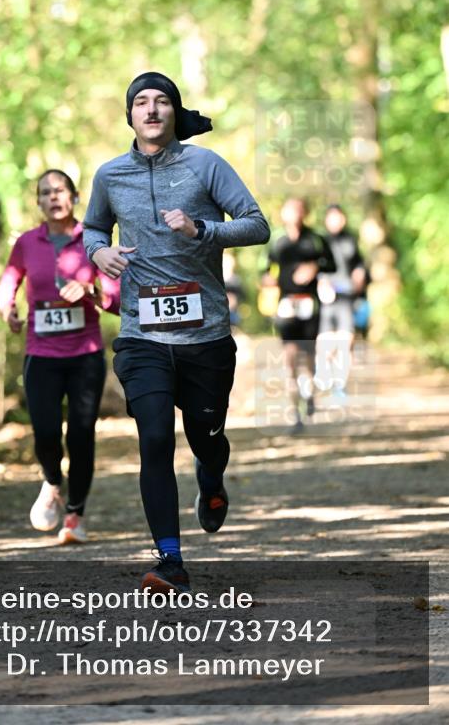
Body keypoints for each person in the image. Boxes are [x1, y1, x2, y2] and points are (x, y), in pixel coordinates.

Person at [83, 72, 270, 593]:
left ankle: (211, 477)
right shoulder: (110, 175)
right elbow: (93, 227)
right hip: (142, 334)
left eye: (161, 101)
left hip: (205, 335)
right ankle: (169, 558)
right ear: (129, 115)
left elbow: (257, 224)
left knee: (206, 438)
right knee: (155, 437)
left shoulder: (205, 165)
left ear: (174, 111)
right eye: (141, 102)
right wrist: (99, 252)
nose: (151, 109)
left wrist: (201, 229)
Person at [0, 170, 120, 544]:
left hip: (85, 355)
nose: (53, 197)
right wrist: (8, 308)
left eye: (60, 191)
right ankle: (52, 481)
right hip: (41, 353)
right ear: (38, 201)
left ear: (74, 196)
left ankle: (75, 515)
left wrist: (90, 290)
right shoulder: (26, 242)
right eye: (46, 192)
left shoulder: (94, 240)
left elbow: (116, 299)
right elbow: (9, 280)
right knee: (46, 432)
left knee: (81, 434)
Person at [260, 197, 336, 432]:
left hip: (310, 305)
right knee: (290, 358)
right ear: (283, 214)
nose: (294, 214)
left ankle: (310, 394)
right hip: (286, 304)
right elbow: (265, 269)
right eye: (290, 210)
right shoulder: (277, 241)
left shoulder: (316, 239)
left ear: (305, 213)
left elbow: (331, 265)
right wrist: (267, 279)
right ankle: (295, 414)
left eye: (298, 210)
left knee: (309, 356)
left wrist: (314, 267)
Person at [315, 204, 367, 399]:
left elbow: (359, 265)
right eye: (332, 217)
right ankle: (324, 375)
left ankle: (340, 385)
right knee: (326, 342)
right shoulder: (320, 241)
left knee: (345, 341)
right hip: (327, 298)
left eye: (339, 217)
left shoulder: (351, 239)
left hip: (347, 297)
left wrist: (360, 276)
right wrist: (321, 282)